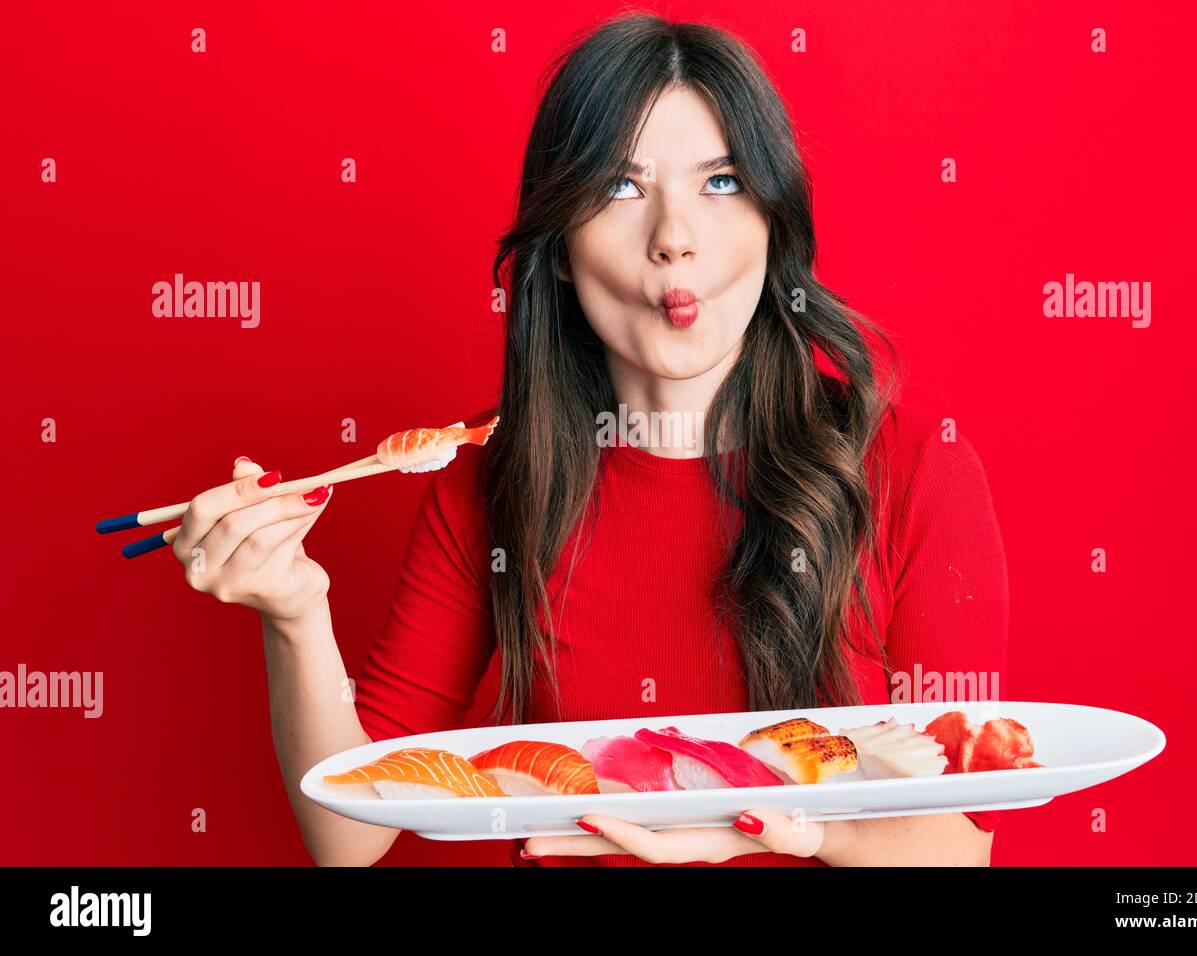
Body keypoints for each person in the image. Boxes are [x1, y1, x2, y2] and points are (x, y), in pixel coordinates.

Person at [173, 14, 1009, 867]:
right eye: (619, 188)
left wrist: (799, 832)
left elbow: (959, 848)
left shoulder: (914, 471)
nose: (673, 238)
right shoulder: (493, 480)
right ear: (562, 248)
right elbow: (349, 833)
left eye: (720, 183)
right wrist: (294, 613)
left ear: (773, 219)